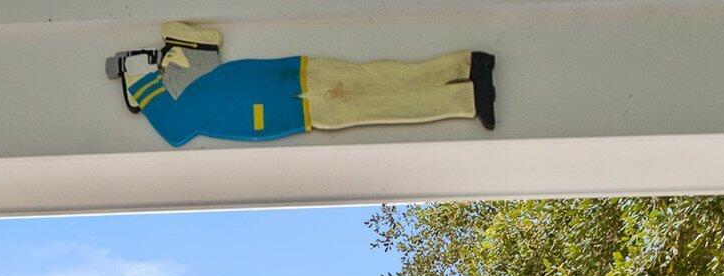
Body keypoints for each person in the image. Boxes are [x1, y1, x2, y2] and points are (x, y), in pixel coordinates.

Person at [112, 23, 494, 147]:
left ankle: (468, 86)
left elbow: (175, 131)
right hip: (303, 93)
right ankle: (468, 88)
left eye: (171, 59)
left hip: (302, 89)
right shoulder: (201, 91)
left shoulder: (199, 94)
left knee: (384, 91)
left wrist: (140, 81)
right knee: (384, 90)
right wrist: (142, 83)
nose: (170, 68)